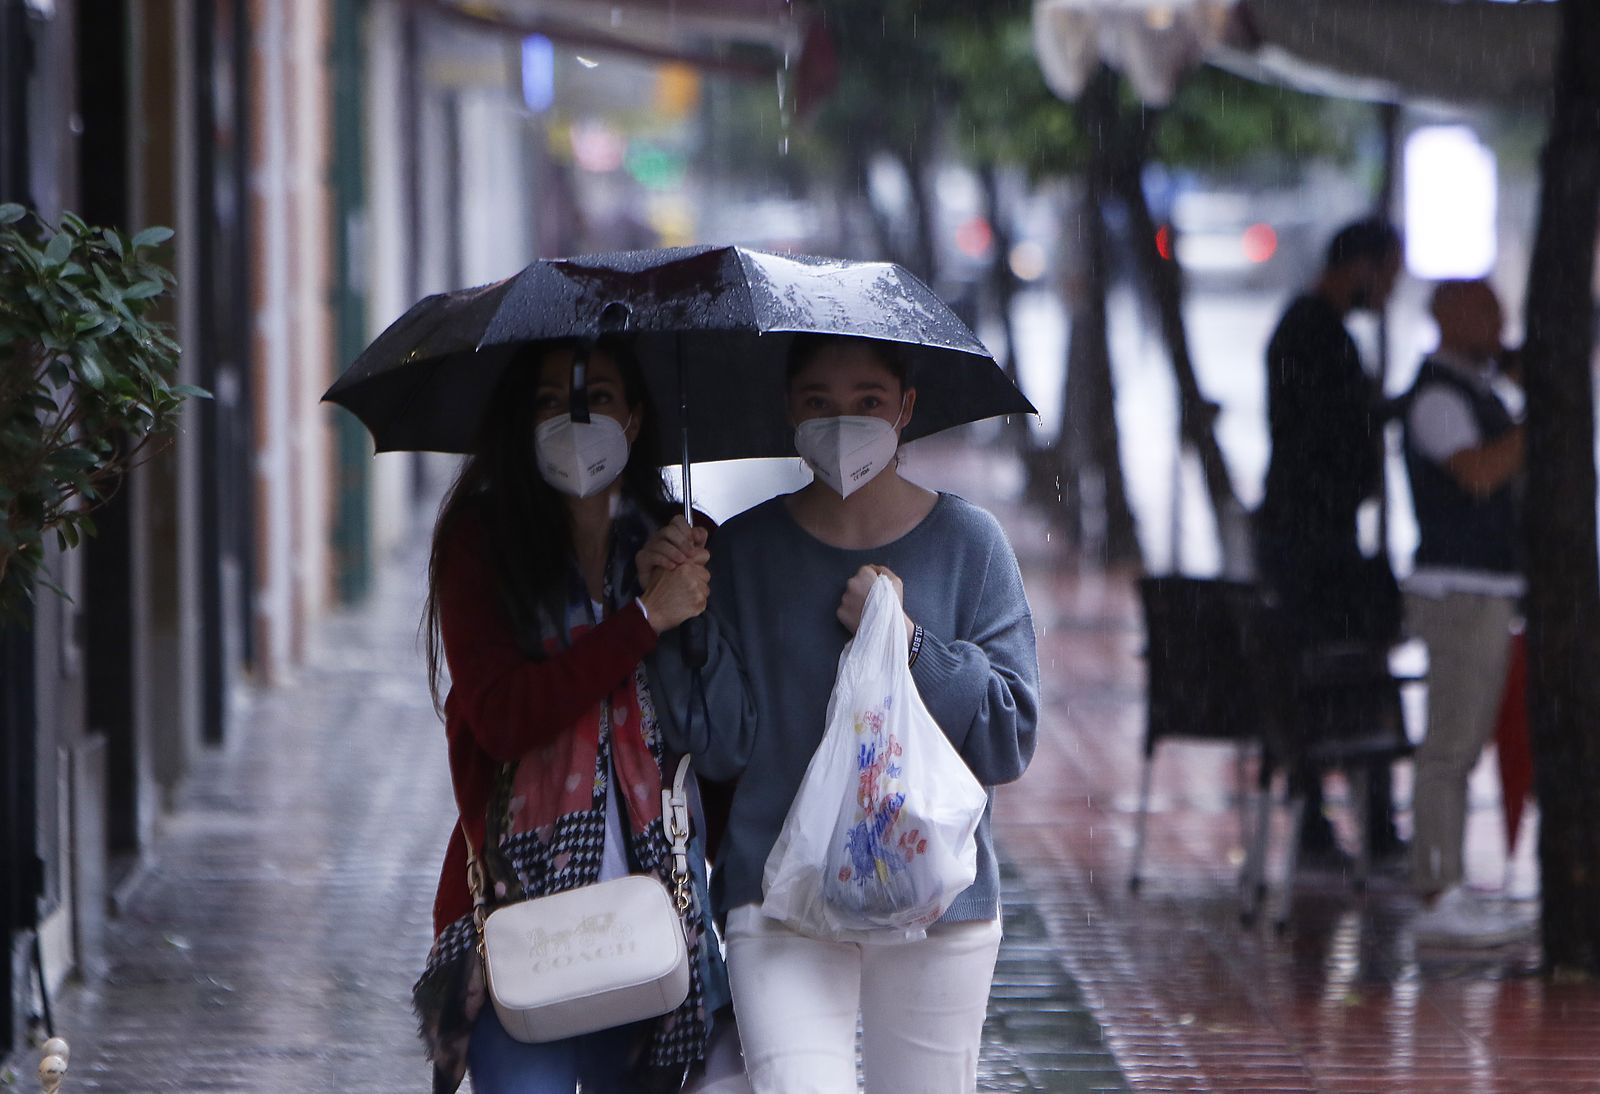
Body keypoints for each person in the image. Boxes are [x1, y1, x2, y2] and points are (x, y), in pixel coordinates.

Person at [647, 333, 1040, 1094]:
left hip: (937, 900)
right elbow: (718, 746)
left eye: (868, 401)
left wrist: (909, 642)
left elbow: (1009, 736)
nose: (841, 423)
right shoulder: (744, 553)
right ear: (789, 410)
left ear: (906, 407)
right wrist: (678, 620)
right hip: (779, 896)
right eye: (818, 402)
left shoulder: (970, 546)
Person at [410, 336, 731, 1094]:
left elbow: (718, 742)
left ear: (636, 417)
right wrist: (641, 622)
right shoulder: (482, 545)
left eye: (599, 399)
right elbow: (504, 717)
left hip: (658, 929)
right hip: (521, 924)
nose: (576, 419)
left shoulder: (678, 542)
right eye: (551, 401)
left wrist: (687, 614)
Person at [1255, 217, 1407, 867]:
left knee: (1330, 670)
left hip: (1312, 533)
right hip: (1312, 540)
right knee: (1339, 669)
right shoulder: (1314, 333)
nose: (1391, 292)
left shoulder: (1316, 330)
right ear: (1362, 267)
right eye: (1389, 276)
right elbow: (1325, 433)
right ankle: (1339, 818)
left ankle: (1339, 816)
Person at [1401, 279, 1533, 946]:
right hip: (1458, 590)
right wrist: (1540, 424)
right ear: (1449, 317)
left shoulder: (1479, 392)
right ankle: (1436, 887)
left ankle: (1446, 880)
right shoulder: (1438, 397)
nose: (1498, 326)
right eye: (1486, 311)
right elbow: (1477, 473)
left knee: (1464, 738)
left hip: (1487, 586)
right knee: (1450, 745)